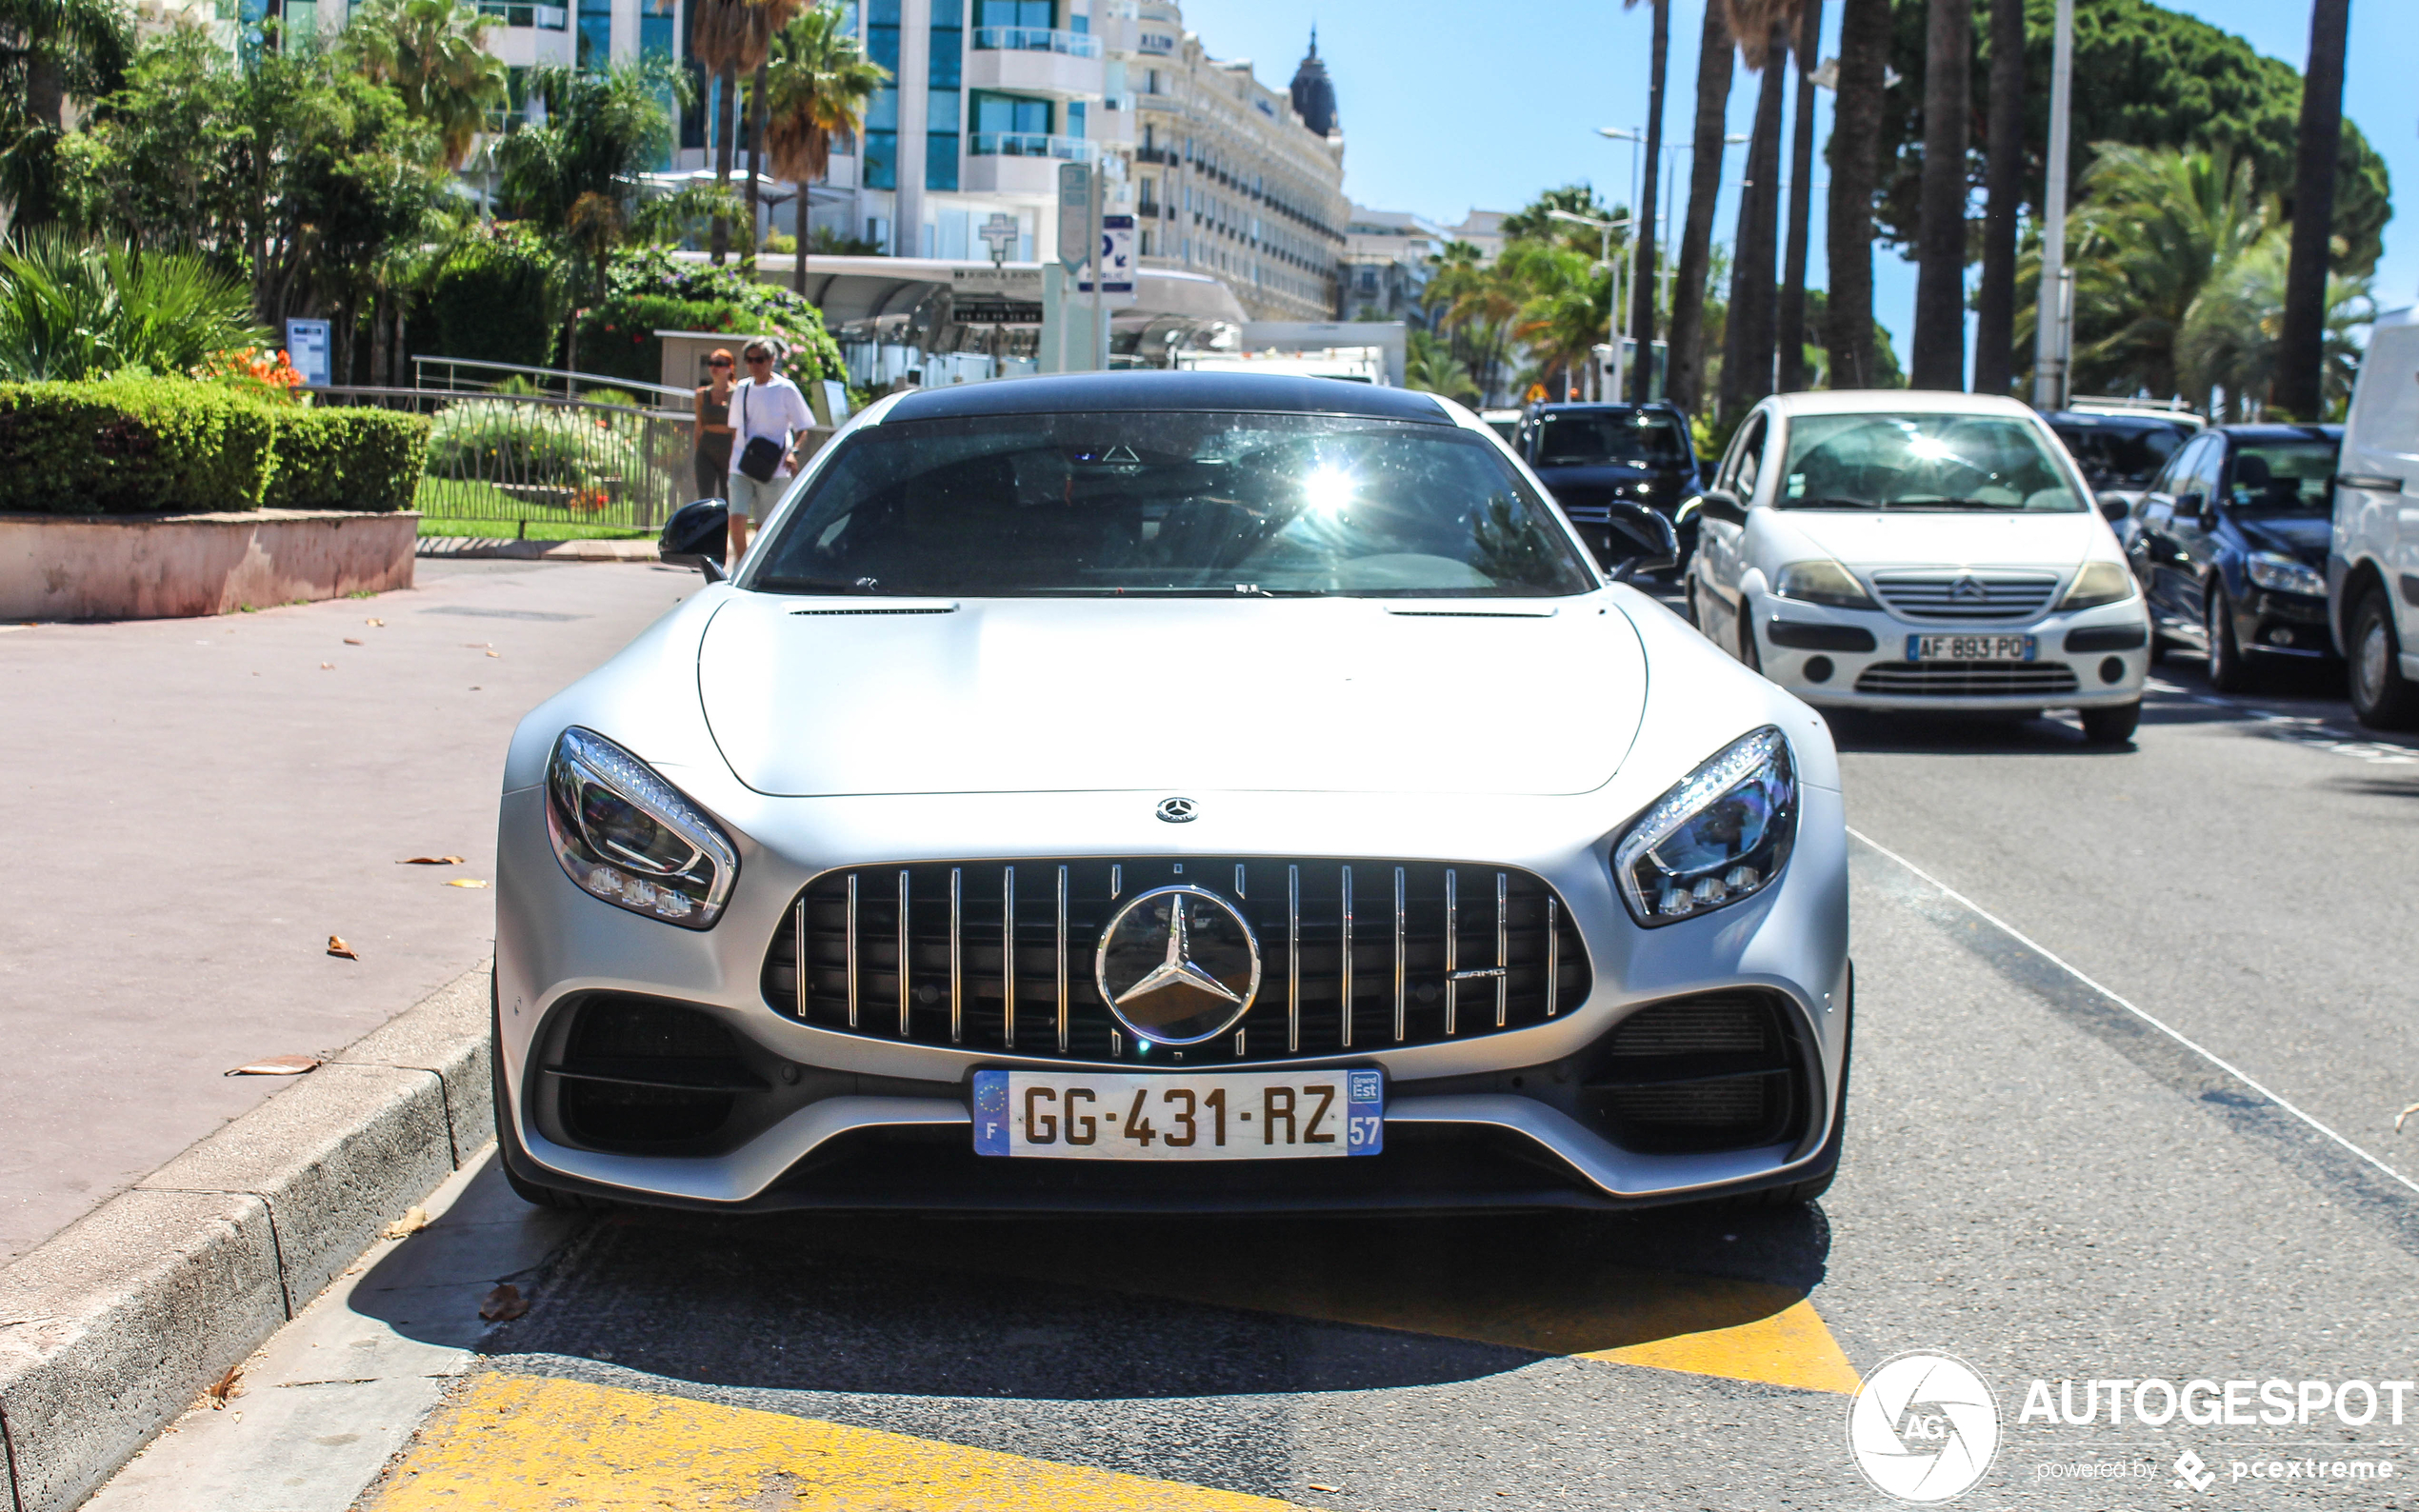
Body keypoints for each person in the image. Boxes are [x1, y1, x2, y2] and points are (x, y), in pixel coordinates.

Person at [726, 338, 814, 564]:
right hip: (742, 464)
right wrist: (734, 458)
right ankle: (742, 564)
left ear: (772, 360)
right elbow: (735, 429)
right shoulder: (741, 390)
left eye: (760, 359)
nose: (755, 365)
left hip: (774, 467)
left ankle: (758, 565)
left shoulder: (785, 389)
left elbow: (803, 427)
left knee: (763, 525)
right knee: (736, 518)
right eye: (750, 360)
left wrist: (794, 452)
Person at [690, 348, 737, 500]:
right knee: (705, 497)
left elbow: (738, 428)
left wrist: (736, 456)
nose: (714, 368)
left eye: (719, 363)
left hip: (729, 448)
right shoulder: (701, 394)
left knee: (728, 498)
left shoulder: (737, 393)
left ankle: (726, 525)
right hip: (706, 447)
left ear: (730, 368)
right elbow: (699, 426)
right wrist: (698, 453)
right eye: (711, 363)